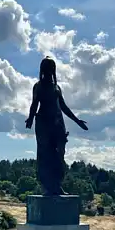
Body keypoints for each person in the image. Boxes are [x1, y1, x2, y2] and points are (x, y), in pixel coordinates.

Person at [25, 57, 88, 195]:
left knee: (59, 155)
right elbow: (34, 103)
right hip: (44, 124)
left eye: (51, 69)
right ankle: (47, 187)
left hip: (58, 124)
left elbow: (63, 106)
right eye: (47, 69)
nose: (48, 72)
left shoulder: (57, 87)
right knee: (45, 155)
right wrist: (30, 119)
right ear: (42, 70)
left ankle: (57, 185)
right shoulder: (38, 86)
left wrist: (77, 121)